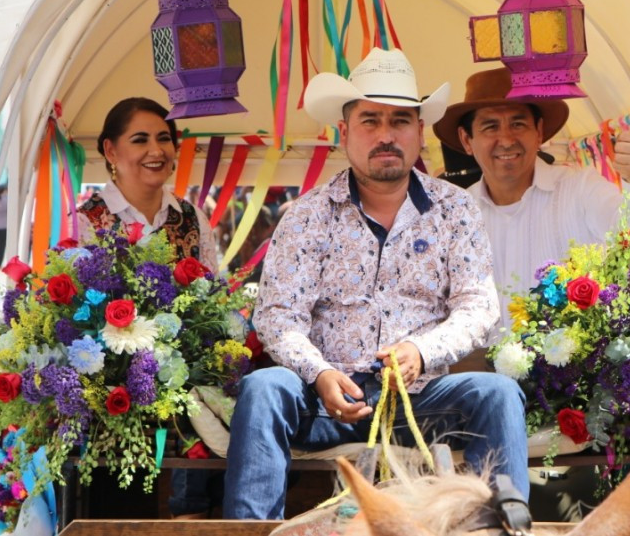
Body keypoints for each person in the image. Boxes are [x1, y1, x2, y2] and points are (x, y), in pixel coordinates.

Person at [224, 49, 525, 520]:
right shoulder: (307, 215)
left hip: (423, 402)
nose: (386, 135)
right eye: (370, 121)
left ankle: (509, 528)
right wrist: (320, 374)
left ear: (419, 132)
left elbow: (478, 306)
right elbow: (278, 315)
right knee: (264, 387)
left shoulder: (455, 209)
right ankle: (251, 533)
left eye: (400, 120)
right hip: (324, 402)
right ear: (343, 132)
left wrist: (422, 352)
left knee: (499, 393)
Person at [431, 67, 630, 347]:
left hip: (573, 382)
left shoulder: (580, 188)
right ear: (467, 140)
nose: (506, 139)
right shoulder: (455, 215)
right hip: (488, 383)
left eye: (518, 124)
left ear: (539, 132)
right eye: (490, 127)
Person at [79, 97, 221, 518]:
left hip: (183, 376)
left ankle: (190, 515)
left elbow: (213, 295)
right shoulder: (87, 220)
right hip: (114, 381)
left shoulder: (191, 217)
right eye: (140, 139)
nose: (156, 151)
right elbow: (78, 313)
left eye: (164, 139)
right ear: (110, 151)